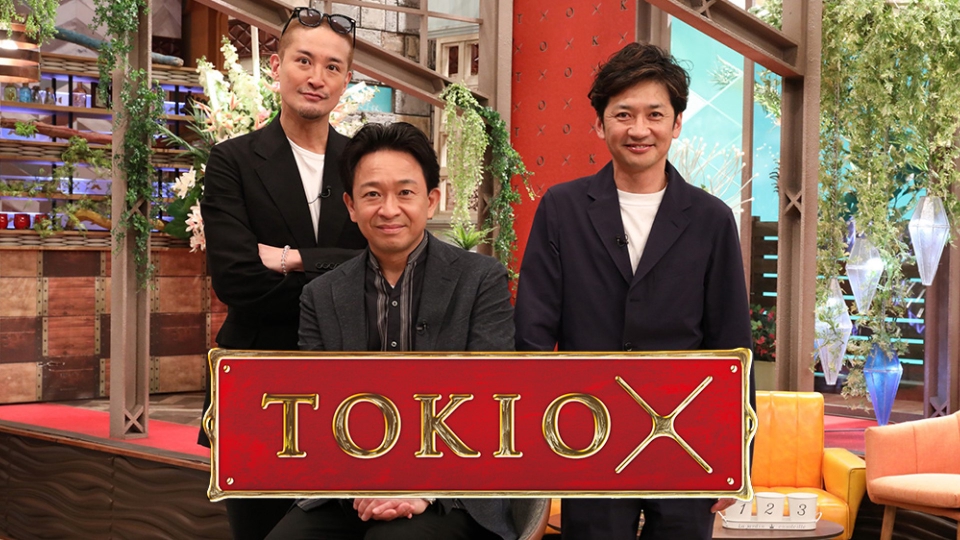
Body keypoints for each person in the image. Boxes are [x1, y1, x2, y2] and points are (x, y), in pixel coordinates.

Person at [513, 42, 753, 540]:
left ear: (677, 123)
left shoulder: (711, 219)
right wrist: (536, 437)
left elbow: (732, 343)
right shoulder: (562, 208)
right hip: (588, 431)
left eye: (654, 115)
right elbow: (533, 333)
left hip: (686, 438)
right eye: (623, 114)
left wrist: (738, 454)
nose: (639, 129)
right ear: (600, 124)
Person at [265, 122, 519, 540]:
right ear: (350, 205)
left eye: (405, 192)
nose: (388, 209)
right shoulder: (321, 294)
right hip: (349, 483)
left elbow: (492, 399)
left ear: (431, 201)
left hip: (453, 486)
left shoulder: (480, 280)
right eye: (372, 194)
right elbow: (316, 409)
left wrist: (422, 488)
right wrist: (365, 485)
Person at [198, 9, 367, 540]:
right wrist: (338, 270)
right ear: (277, 66)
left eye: (332, 67)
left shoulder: (364, 163)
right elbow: (236, 281)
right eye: (304, 61)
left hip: (349, 386)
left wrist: (293, 259)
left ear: (346, 79)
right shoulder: (232, 161)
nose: (317, 77)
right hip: (255, 382)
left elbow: (383, 269)